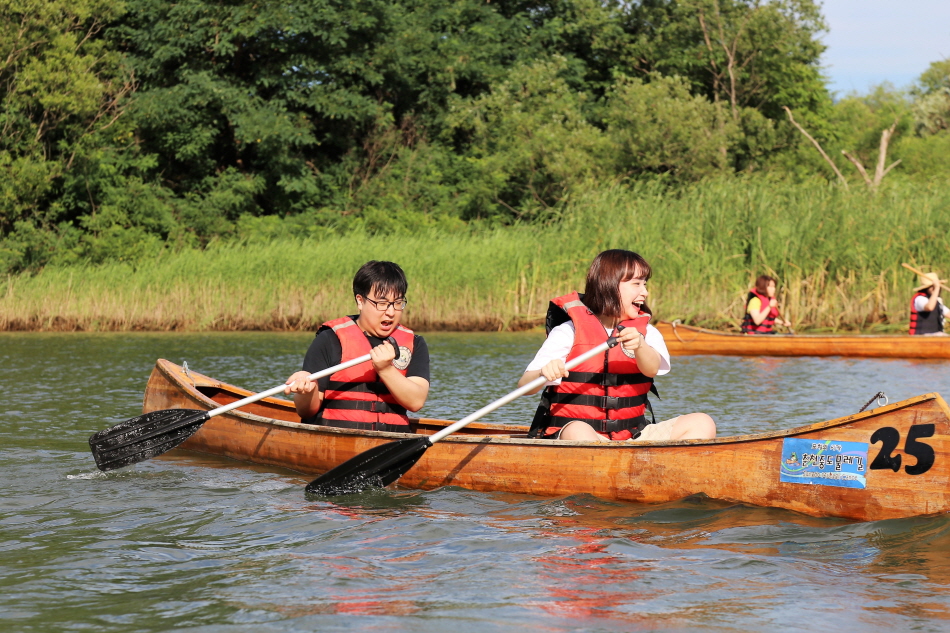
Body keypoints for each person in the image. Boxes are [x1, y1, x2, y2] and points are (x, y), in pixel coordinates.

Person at [519, 249, 716, 442]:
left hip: (633, 435)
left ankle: (660, 470)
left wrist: (640, 346)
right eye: (636, 284)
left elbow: (652, 368)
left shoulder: (647, 333)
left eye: (645, 284)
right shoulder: (568, 331)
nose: (645, 292)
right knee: (578, 430)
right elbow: (524, 386)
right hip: (581, 436)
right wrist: (543, 373)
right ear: (609, 286)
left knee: (702, 422)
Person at [283, 261, 430, 430]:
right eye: (381, 303)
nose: (390, 312)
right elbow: (306, 411)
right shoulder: (329, 339)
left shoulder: (415, 343)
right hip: (335, 440)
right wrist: (306, 392)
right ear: (360, 301)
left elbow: (416, 401)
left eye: (397, 303)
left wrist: (385, 370)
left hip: (393, 441)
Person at [910, 271, 949, 336]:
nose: (937, 289)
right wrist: (936, 288)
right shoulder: (919, 299)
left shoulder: (937, 302)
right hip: (921, 337)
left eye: (938, 287)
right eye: (932, 287)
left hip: (936, 336)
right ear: (926, 288)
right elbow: (930, 307)